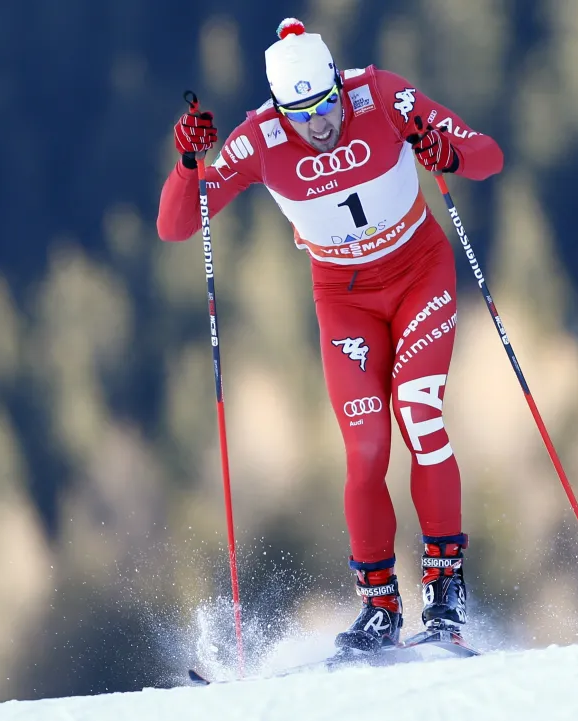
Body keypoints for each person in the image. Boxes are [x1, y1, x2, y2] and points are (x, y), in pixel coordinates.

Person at [156, 17, 504, 653]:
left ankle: (445, 588)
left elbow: (487, 154)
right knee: (367, 446)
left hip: (419, 274)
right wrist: (186, 162)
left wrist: (449, 153)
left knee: (418, 414)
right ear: (279, 109)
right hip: (344, 302)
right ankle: (378, 606)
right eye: (301, 113)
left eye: (326, 104)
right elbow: (178, 224)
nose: (319, 125)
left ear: (339, 87)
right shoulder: (260, 138)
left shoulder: (381, 96)